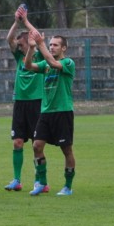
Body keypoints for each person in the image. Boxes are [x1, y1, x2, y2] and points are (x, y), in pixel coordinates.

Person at [24, 20, 77, 196]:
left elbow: (54, 63)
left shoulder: (68, 63)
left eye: (55, 45)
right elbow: (28, 66)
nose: (52, 47)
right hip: (46, 112)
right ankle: (42, 182)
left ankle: (68, 186)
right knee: (37, 146)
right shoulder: (45, 65)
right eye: (50, 44)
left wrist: (40, 44)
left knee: (66, 150)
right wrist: (32, 48)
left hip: (63, 111)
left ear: (64, 48)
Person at [4, 6, 43, 192]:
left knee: (37, 145)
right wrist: (16, 22)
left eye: (21, 44)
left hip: (36, 103)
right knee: (17, 142)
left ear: (29, 42)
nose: (18, 46)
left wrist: (27, 22)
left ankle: (40, 181)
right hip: (20, 103)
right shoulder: (19, 57)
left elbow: (36, 36)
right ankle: (16, 180)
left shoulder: (42, 57)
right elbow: (8, 39)